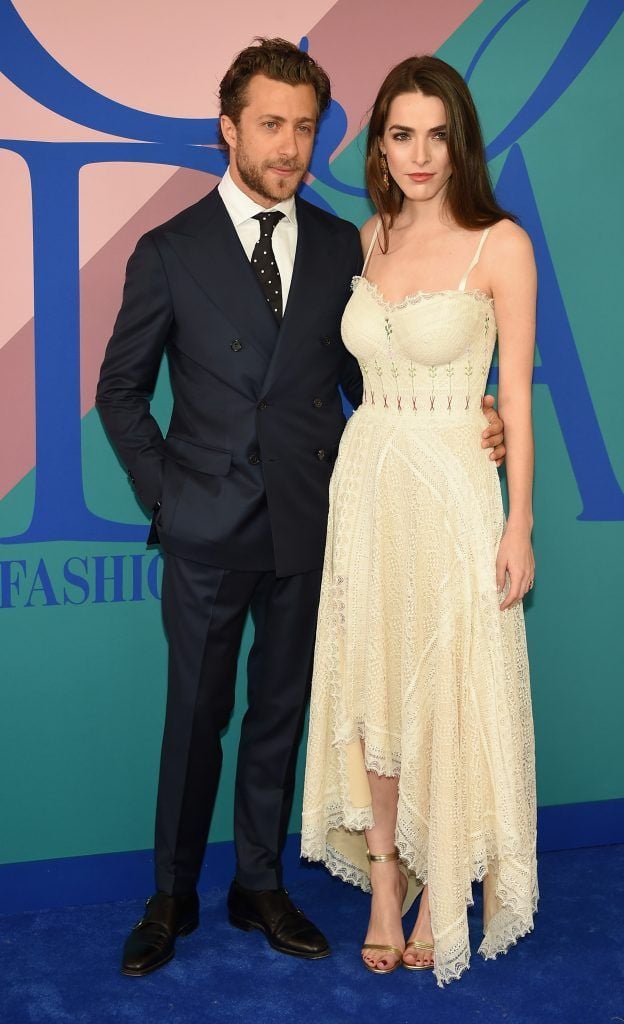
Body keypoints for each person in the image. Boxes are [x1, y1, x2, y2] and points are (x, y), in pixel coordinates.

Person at [96, 39, 506, 977]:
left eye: (304, 126)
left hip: (314, 523)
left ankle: (258, 885)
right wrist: (170, 496)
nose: (287, 145)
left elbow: (373, 381)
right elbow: (120, 392)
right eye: (270, 124)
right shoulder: (168, 251)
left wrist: (468, 418)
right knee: (194, 716)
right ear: (227, 129)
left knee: (281, 712)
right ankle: (170, 898)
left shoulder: (341, 243)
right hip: (207, 528)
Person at [301, 55, 537, 986]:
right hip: (366, 491)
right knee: (376, 694)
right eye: (401, 133)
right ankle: (388, 883)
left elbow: (510, 399)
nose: (419, 153)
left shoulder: (499, 243)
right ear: (378, 145)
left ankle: (451, 881)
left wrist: (518, 524)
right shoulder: (368, 237)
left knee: (445, 690)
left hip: (451, 496)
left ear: (461, 140)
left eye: (437, 133)